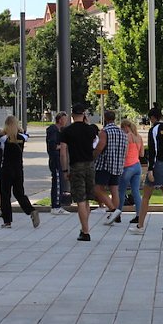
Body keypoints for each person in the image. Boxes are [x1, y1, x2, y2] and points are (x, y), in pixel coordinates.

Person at [129, 106, 163, 236]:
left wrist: (151, 168)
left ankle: (140, 226)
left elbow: (153, 150)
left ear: (152, 118)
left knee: (146, 196)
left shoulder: (154, 130)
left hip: (156, 164)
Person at [59, 103, 99, 241]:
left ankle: (86, 231)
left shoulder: (67, 131)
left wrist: (65, 170)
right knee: (87, 199)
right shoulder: (90, 130)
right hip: (90, 166)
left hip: (76, 166)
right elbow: (94, 143)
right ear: (84, 115)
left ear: (72, 115)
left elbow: (63, 152)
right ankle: (84, 228)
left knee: (80, 200)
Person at [0, 115, 40, 229]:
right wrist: (20, 130)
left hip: (6, 168)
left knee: (5, 194)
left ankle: (7, 221)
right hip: (18, 169)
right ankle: (31, 210)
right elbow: (26, 135)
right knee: (19, 192)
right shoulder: (22, 137)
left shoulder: (3, 138)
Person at [93, 110, 128, 225]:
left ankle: (114, 211)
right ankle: (117, 216)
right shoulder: (122, 132)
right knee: (114, 190)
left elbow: (100, 147)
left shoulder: (105, 132)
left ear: (105, 118)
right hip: (118, 165)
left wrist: (93, 157)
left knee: (98, 189)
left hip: (105, 165)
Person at [117, 119, 144, 225]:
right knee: (136, 192)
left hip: (127, 166)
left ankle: (118, 215)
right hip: (137, 166)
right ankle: (138, 216)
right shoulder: (139, 137)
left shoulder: (127, 137)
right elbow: (141, 154)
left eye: (122, 128)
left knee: (121, 191)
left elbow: (125, 152)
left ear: (125, 127)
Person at [46, 111, 70, 215]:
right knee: (57, 182)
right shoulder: (54, 130)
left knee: (58, 181)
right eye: (65, 119)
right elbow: (53, 146)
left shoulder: (58, 130)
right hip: (55, 159)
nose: (66, 122)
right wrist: (63, 146)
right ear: (60, 119)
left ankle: (58, 204)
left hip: (57, 159)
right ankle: (56, 205)